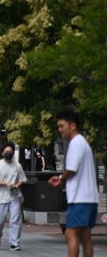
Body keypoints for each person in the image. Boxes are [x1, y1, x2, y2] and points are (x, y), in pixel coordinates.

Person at [50, 110, 97, 257]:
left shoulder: (76, 143)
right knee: (85, 236)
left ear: (72, 125)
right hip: (90, 198)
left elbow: (71, 169)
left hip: (80, 198)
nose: (60, 130)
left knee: (70, 233)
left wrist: (61, 179)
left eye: (61, 126)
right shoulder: (83, 143)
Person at [0, 144, 26, 251]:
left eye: (11, 151)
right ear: (2, 153)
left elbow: (22, 179)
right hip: (0, 196)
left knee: (15, 220)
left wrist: (16, 186)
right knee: (0, 220)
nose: (9, 153)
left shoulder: (17, 166)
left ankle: (14, 243)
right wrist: (5, 183)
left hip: (14, 196)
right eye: (6, 151)